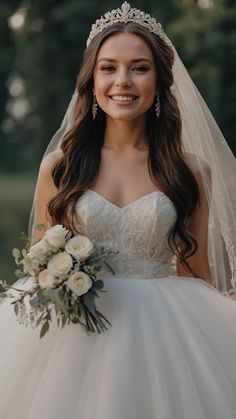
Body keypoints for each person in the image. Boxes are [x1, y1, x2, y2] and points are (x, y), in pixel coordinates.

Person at [1, 2, 236, 418]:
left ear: (160, 80)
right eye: (109, 68)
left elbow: (196, 272)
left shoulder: (190, 170)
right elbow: (40, 265)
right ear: (92, 80)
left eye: (139, 68)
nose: (122, 81)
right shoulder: (60, 167)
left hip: (166, 340)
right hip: (74, 338)